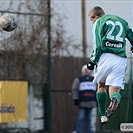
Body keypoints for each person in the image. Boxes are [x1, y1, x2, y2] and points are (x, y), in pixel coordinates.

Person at [87, 6, 133, 124]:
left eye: (92, 20)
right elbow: (131, 35)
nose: (93, 23)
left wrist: (92, 62)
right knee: (114, 89)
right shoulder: (122, 21)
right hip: (120, 59)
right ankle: (114, 100)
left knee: (101, 86)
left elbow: (97, 46)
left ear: (96, 17)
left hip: (105, 57)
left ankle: (103, 116)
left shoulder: (99, 23)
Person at [72, 65, 97, 133]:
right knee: (81, 118)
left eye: (87, 69)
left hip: (91, 102)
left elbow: (98, 90)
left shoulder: (94, 79)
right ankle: (79, 131)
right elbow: (75, 89)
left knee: (89, 119)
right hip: (82, 103)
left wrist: (97, 100)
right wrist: (75, 99)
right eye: (85, 69)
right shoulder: (79, 80)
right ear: (82, 71)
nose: (86, 71)